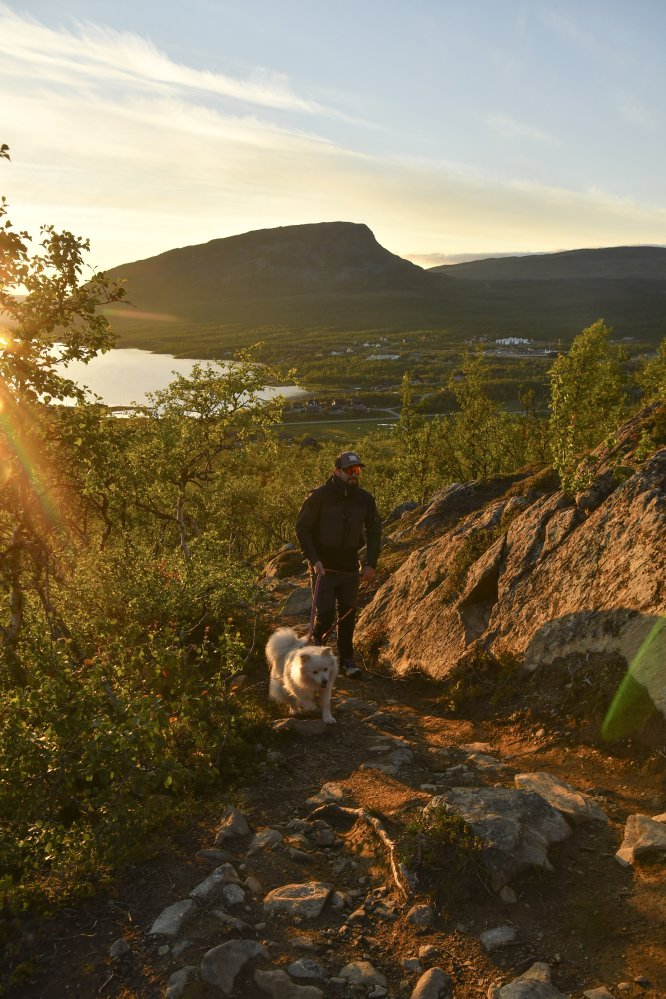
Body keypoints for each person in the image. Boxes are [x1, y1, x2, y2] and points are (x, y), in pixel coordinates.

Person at [296, 450, 382, 677]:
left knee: (347, 614)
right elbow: (302, 529)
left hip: (349, 566)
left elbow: (374, 532)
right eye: (348, 471)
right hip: (323, 566)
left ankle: (347, 660)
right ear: (336, 471)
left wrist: (371, 563)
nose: (354, 475)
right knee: (325, 615)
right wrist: (314, 560)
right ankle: (318, 651)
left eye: (357, 470)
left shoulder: (365, 499)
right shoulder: (318, 496)